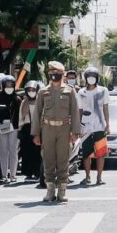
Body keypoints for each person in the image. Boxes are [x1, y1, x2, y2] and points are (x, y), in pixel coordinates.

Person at [31, 61, 80, 202]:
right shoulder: (43, 92)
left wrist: (75, 132)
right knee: (48, 160)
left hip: (64, 129)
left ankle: (62, 191)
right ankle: (50, 190)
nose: (54, 76)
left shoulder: (70, 91)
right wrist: (35, 134)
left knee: (63, 160)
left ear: (62, 75)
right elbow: (37, 114)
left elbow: (75, 112)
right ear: (48, 74)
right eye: (52, 73)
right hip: (47, 129)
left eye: (57, 74)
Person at [77, 67, 110, 186]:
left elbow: (105, 108)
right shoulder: (81, 92)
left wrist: (107, 124)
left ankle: (99, 178)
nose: (91, 79)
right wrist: (78, 126)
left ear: (97, 78)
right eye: (89, 76)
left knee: (101, 153)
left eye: (93, 76)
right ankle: (87, 177)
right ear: (85, 78)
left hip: (100, 126)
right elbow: (79, 110)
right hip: (85, 127)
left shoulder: (103, 91)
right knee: (86, 154)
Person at [0, 75, 21, 184]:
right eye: (7, 85)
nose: (9, 87)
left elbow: (20, 115)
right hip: (2, 126)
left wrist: (19, 127)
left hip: (14, 127)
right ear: (3, 86)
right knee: (3, 151)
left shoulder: (18, 99)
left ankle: (13, 175)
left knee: (13, 151)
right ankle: (4, 176)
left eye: (11, 85)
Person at [19, 80, 42, 180]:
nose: (31, 92)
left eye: (33, 90)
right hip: (27, 128)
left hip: (38, 128)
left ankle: (38, 172)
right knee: (26, 151)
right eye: (29, 90)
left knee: (37, 151)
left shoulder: (41, 101)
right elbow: (21, 117)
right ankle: (28, 172)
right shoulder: (24, 102)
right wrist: (20, 129)